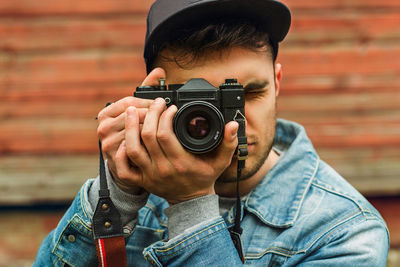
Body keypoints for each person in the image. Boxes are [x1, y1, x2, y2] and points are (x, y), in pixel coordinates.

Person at [34, 0, 389, 266]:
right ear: (156, 98)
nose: (231, 123)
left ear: (277, 83)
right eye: (200, 102)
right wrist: (118, 197)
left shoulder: (344, 232)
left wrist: (190, 206)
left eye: (248, 93)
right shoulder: (138, 189)